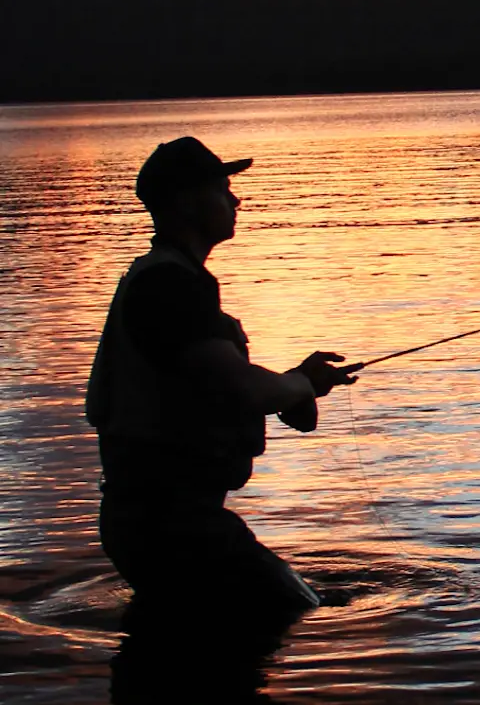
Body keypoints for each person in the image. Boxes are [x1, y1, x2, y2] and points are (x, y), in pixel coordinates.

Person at [86, 137, 360, 617]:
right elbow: (244, 387)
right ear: (187, 201)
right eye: (222, 188)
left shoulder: (166, 280)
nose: (235, 200)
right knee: (296, 610)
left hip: (165, 522)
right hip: (171, 525)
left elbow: (212, 383)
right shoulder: (169, 286)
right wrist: (299, 385)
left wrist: (295, 381)